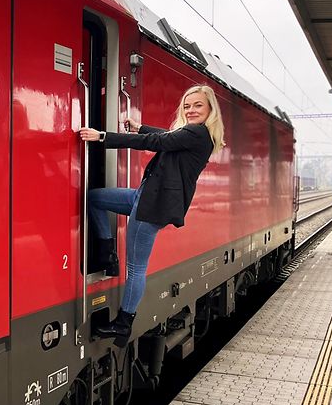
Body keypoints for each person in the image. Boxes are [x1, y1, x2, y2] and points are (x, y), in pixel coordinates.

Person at [78, 84, 225, 347]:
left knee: (136, 268)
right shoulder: (191, 134)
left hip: (152, 207)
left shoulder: (199, 133)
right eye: (187, 106)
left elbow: (158, 142)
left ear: (210, 109)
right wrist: (141, 127)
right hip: (143, 196)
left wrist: (102, 137)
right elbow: (168, 137)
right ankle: (107, 254)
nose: (191, 110)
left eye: (198, 105)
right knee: (95, 198)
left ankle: (124, 323)